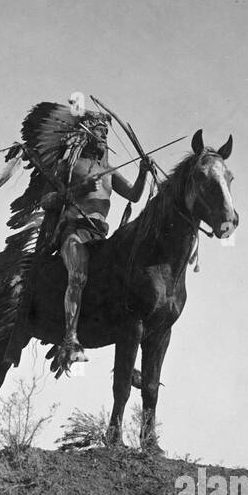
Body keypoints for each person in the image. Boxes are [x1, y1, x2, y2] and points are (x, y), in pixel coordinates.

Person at [40, 120, 154, 376]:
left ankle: (127, 345)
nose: (103, 137)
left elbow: (135, 195)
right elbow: (47, 201)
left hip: (99, 237)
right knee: (77, 275)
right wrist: (79, 188)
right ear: (85, 136)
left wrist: (143, 172)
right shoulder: (69, 166)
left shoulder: (110, 171)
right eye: (98, 132)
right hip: (73, 233)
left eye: (105, 133)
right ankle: (70, 338)